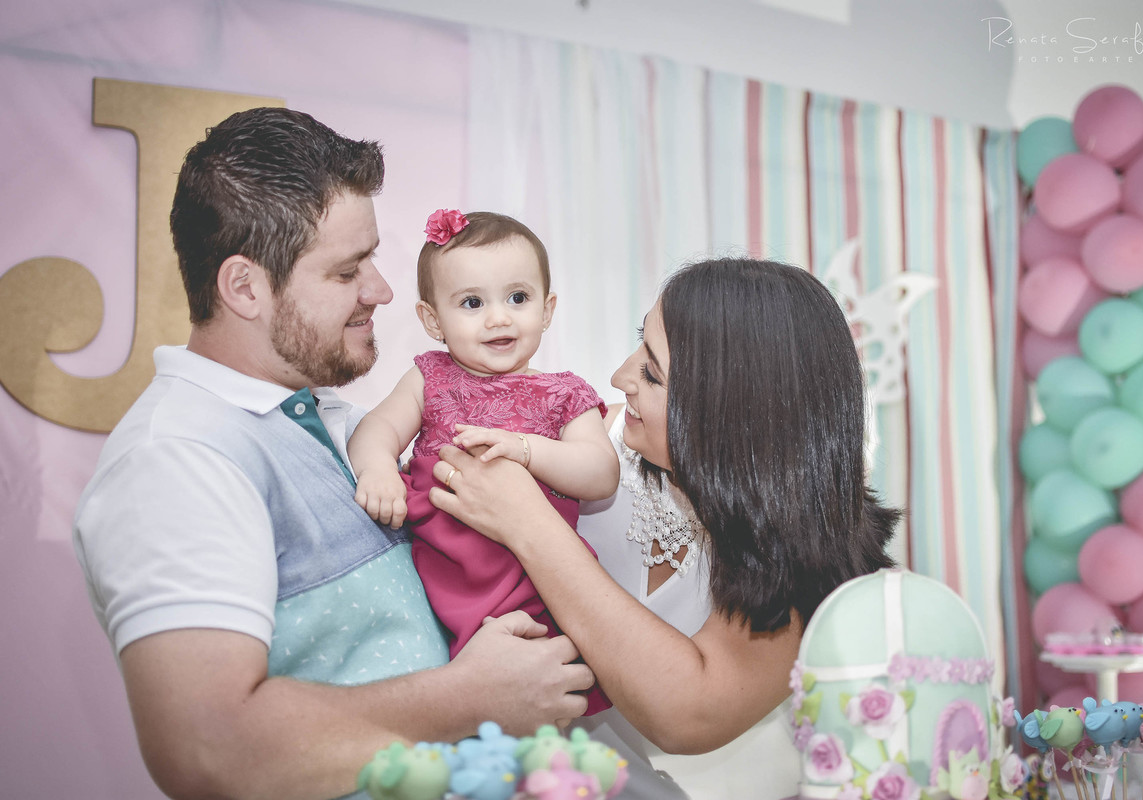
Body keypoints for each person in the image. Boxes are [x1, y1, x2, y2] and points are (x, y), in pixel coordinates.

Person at [71, 107, 592, 800]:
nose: (380, 290)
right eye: (349, 271)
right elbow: (205, 749)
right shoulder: (176, 458)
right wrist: (468, 696)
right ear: (245, 288)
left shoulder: (333, 420)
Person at [429, 257, 900, 799]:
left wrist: (531, 526)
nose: (618, 377)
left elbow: (688, 712)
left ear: (728, 413)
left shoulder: (808, 552)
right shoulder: (576, 450)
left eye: (652, 373)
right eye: (640, 344)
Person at [346, 209, 618, 713]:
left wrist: (526, 450)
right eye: (472, 303)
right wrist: (379, 467)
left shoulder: (565, 394)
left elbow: (602, 473)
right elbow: (375, 429)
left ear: (547, 308)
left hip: (532, 579)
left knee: (544, 685)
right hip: (444, 573)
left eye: (518, 298)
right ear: (432, 320)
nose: (498, 317)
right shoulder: (431, 378)